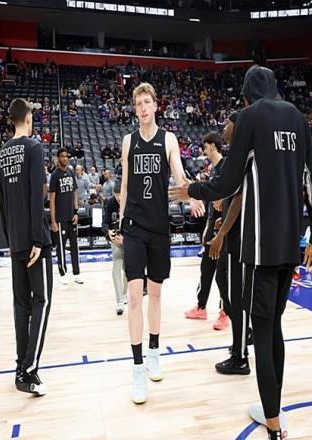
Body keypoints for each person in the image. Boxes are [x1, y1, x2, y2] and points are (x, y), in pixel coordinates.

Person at [169, 65, 312, 440]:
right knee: (275, 328)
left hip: (258, 249)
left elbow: (228, 182)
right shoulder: (297, 118)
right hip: (290, 245)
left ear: (245, 95)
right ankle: (274, 409)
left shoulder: (250, 118)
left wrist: (192, 190)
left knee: (263, 333)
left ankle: (273, 425)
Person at [120, 82, 204, 404]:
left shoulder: (168, 139)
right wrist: (120, 222)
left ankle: (154, 352)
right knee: (134, 295)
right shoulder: (128, 142)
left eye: (147, 102)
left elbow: (180, 176)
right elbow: (125, 184)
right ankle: (137, 369)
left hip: (158, 228)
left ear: (156, 105)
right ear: (135, 109)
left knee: (155, 294)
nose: (142, 108)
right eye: (138, 103)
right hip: (133, 227)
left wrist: (191, 195)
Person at [0, 97, 53, 397]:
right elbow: (36, 196)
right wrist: (37, 239)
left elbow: (3, 202)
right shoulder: (33, 147)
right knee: (41, 301)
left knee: (21, 305)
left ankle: (20, 366)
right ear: (28, 117)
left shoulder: (2, 152)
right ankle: (29, 370)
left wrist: (10, 239)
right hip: (34, 241)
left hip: (15, 240)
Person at [207, 113, 254, 375]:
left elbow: (238, 199)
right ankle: (243, 337)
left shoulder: (241, 156)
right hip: (232, 233)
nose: (224, 127)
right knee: (226, 288)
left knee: (236, 296)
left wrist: (222, 233)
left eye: (227, 123)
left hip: (237, 239)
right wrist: (223, 220)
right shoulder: (237, 156)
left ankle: (241, 355)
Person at [184, 131, 230, 331]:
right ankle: (201, 307)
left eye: (205, 147)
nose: (203, 151)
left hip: (224, 229)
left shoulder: (226, 166)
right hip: (212, 227)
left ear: (212, 146)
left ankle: (225, 312)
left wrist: (223, 199)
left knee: (223, 275)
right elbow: (212, 204)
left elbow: (232, 196)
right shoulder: (213, 170)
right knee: (206, 269)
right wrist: (207, 229)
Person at [49, 149, 83, 285]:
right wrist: (53, 220)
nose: (65, 158)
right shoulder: (54, 175)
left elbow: (75, 193)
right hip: (60, 218)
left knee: (75, 247)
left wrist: (76, 212)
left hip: (71, 216)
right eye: (62, 156)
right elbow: (52, 199)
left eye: (66, 156)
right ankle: (63, 273)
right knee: (61, 248)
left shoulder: (70, 172)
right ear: (58, 158)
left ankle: (76, 274)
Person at [103, 179, 127, 315]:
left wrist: (127, 239)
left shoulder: (131, 201)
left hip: (129, 239)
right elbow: (105, 222)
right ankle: (119, 301)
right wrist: (108, 232)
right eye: (116, 195)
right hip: (116, 239)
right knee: (116, 267)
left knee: (128, 269)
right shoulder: (110, 202)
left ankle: (124, 294)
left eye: (120, 195)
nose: (118, 198)